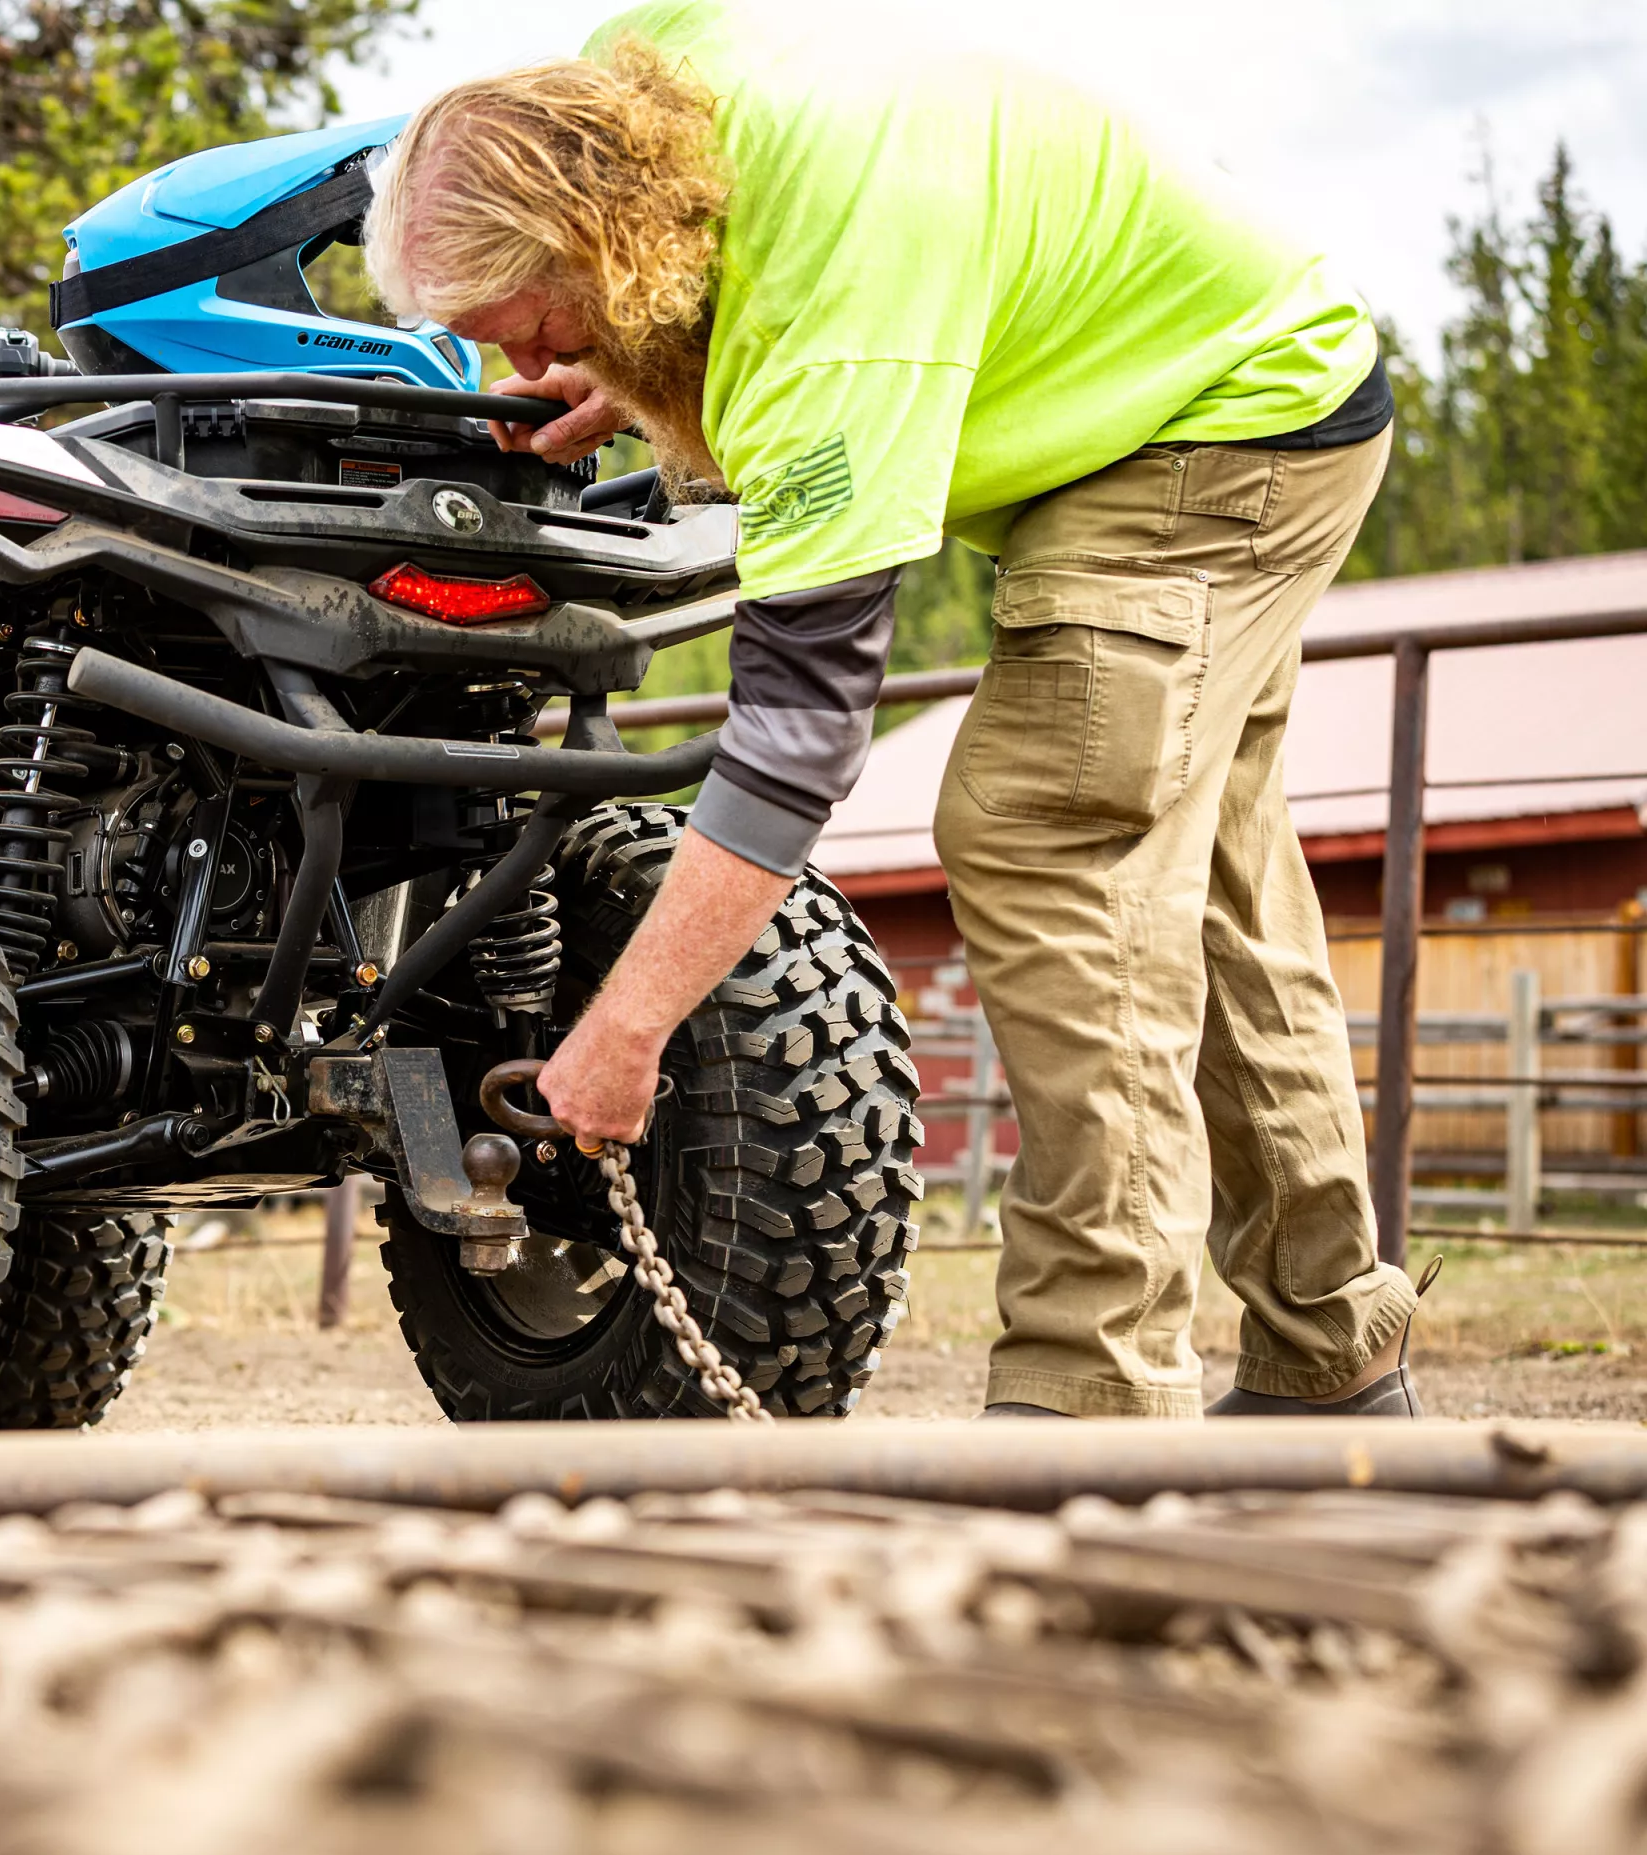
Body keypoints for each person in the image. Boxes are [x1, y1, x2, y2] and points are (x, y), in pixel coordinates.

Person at [363, 0, 1420, 1418]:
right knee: (1206, 885)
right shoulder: (633, 89)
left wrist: (626, 1032)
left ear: (603, 247)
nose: (532, 357)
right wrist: (618, 366)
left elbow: (796, 735)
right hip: (1206, 362)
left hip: (1220, 422)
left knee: (1051, 833)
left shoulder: (835, 322)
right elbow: (695, 276)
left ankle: (1093, 1401)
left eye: (541, 324)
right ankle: (1332, 1353)